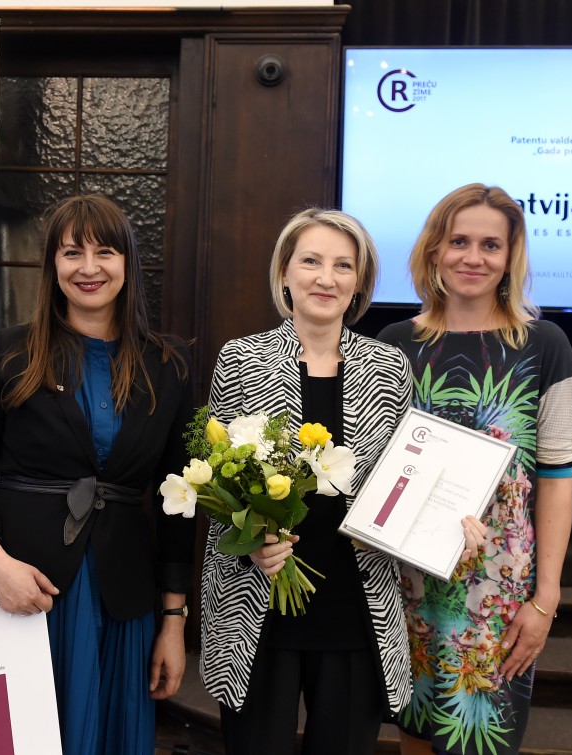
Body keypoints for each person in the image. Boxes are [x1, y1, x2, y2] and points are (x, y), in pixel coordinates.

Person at [0, 194, 194, 754]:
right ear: (52, 264)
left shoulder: (168, 366)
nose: (88, 268)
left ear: (127, 262)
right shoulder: (10, 354)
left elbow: (179, 506)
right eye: (72, 252)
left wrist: (174, 623)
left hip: (120, 606)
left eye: (105, 252)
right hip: (18, 593)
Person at [377, 183, 572, 755]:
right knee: (415, 738)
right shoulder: (393, 345)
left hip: (499, 592)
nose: (473, 257)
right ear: (434, 249)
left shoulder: (546, 345)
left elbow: (557, 479)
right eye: (458, 241)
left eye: (491, 245)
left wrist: (546, 599)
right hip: (406, 580)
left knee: (482, 742)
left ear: (510, 256)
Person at [199, 208, 414, 754]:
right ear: (285, 273)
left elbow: (405, 480)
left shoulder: (389, 368)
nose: (327, 278)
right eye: (311, 261)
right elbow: (214, 480)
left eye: (344, 266)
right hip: (256, 605)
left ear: (359, 282)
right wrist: (251, 541)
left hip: (356, 607)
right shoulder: (241, 359)